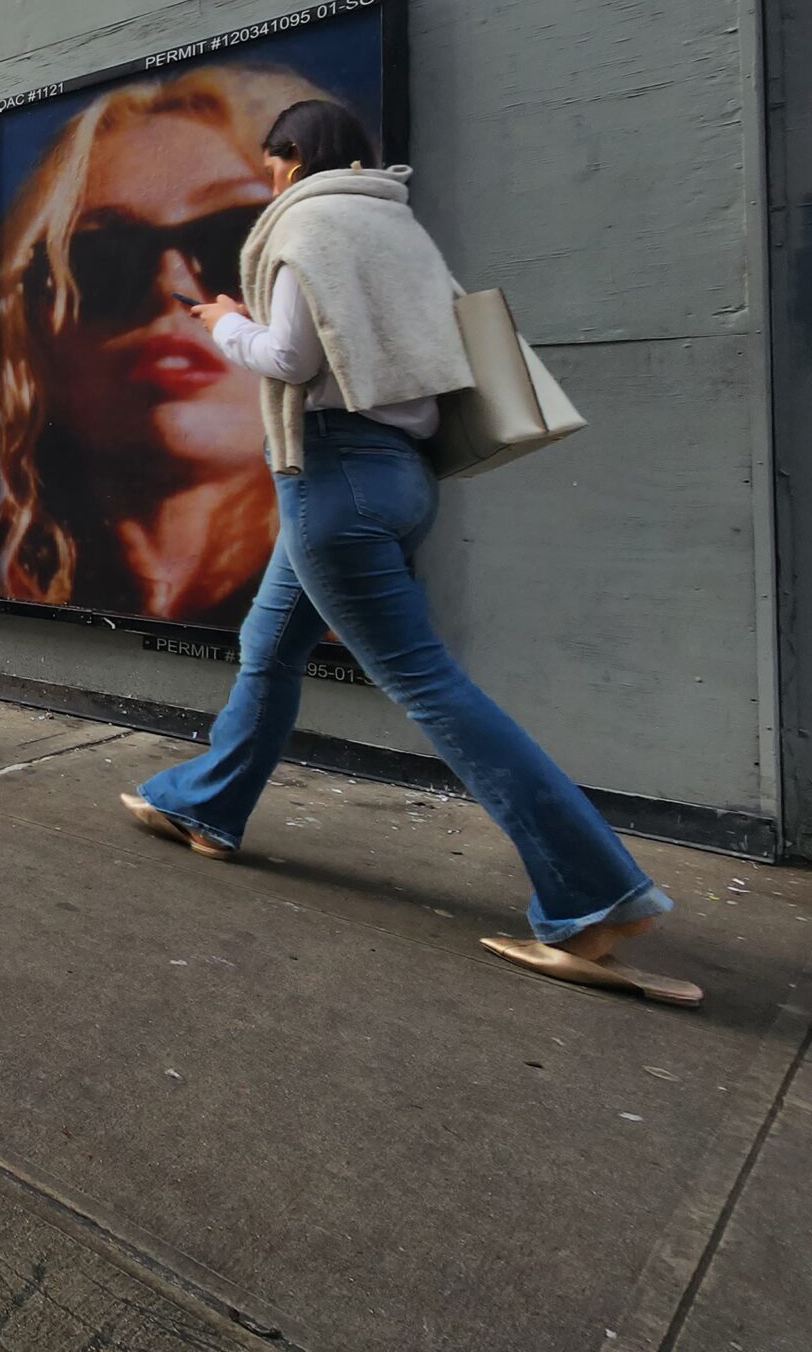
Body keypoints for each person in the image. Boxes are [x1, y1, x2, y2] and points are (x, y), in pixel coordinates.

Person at [121, 98, 698, 1007]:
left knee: (431, 686)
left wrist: (222, 320)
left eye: (271, 162)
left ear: (294, 153)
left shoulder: (306, 224)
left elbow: (287, 359)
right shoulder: (399, 228)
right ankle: (206, 804)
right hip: (401, 478)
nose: (269, 178)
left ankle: (593, 896)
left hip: (333, 476)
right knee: (270, 647)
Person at [0, 63, 329, 625]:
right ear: (30, 324)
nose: (169, 291)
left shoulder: (356, 590)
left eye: (236, 241)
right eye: (99, 261)